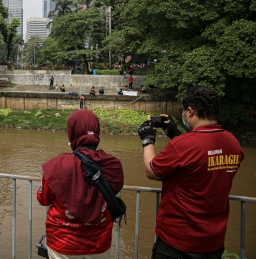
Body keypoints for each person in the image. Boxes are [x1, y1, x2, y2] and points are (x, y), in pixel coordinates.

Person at [137, 86, 244, 258]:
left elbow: (152, 171)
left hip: (178, 242)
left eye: (183, 111)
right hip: (214, 241)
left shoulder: (184, 145)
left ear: (191, 111)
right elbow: (201, 167)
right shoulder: (233, 143)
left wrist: (147, 139)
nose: (184, 115)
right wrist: (177, 134)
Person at [37, 110, 124, 258]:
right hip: (99, 243)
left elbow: (43, 198)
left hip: (62, 242)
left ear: (71, 132)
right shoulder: (113, 165)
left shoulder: (56, 166)